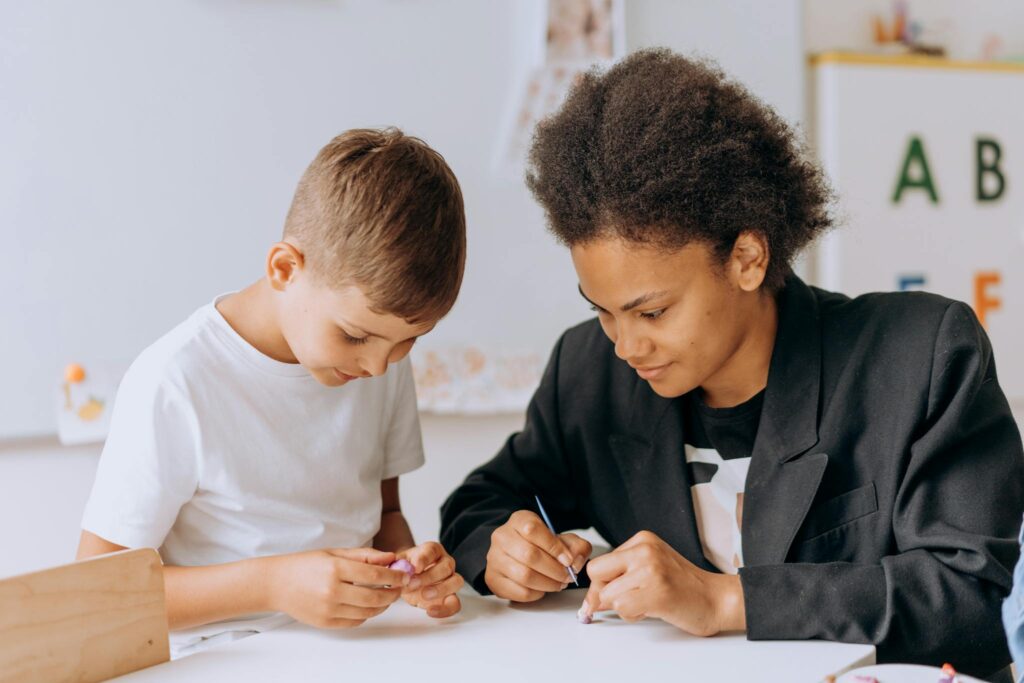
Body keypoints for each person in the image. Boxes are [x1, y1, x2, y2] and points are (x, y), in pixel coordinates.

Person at [439, 49, 1024, 680]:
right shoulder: (588, 372)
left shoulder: (920, 355)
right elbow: (480, 503)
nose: (626, 346)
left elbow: (974, 595)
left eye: (653, 313)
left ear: (747, 257)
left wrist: (724, 599)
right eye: (603, 311)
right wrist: (504, 550)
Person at [77, 128, 466, 651]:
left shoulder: (379, 361)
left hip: (366, 651)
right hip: (229, 657)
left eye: (407, 342)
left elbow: (384, 516)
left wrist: (410, 568)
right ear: (284, 268)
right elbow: (98, 594)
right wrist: (275, 585)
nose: (377, 366)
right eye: (355, 335)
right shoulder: (174, 381)